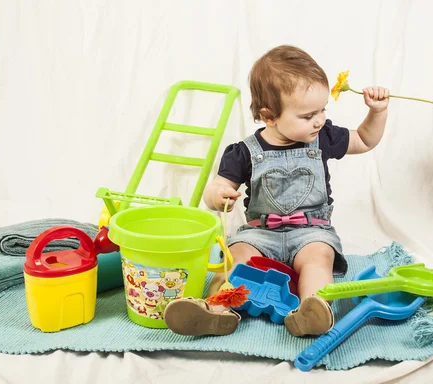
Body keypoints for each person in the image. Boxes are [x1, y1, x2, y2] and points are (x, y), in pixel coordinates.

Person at [164, 45, 390, 337]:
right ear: (269, 116)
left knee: (318, 257)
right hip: (260, 233)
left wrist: (378, 112)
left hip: (311, 231)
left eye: (322, 110)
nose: (319, 120)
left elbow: (363, 139)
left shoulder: (323, 137)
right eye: (308, 115)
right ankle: (215, 310)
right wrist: (218, 195)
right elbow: (219, 186)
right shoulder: (244, 152)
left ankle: (313, 309)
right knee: (236, 256)